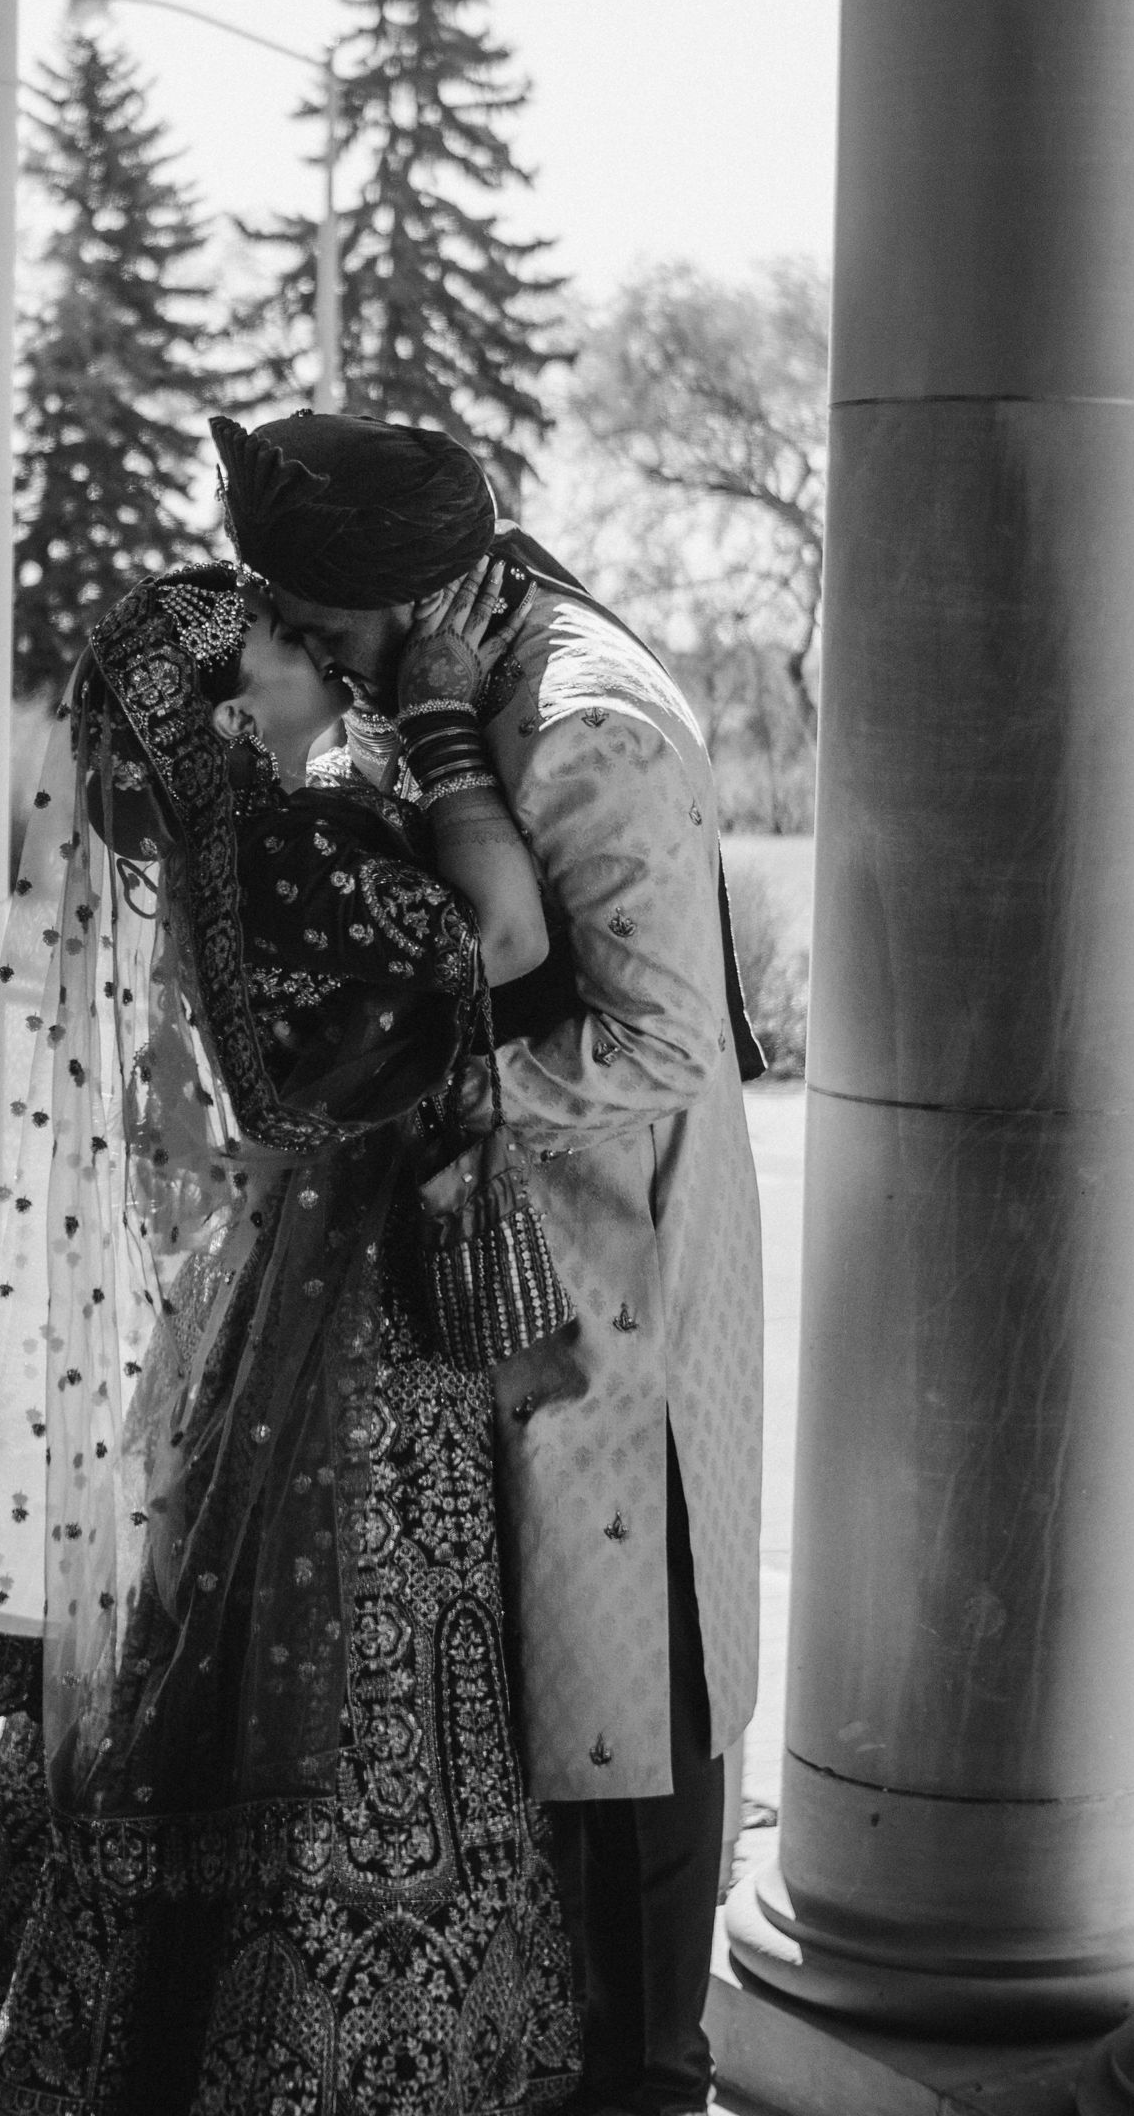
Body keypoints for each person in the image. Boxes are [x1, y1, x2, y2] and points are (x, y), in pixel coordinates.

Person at [0, 558, 584, 2116]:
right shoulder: (290, 842)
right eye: (279, 628)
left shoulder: (221, 848)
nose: (312, 635)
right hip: (353, 1320)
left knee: (208, 1652)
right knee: (346, 1658)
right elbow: (509, 941)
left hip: (266, 1292)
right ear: (232, 688)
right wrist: (454, 722)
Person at [214, 411, 765, 2116]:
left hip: (615, 1286)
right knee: (544, 1701)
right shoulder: (448, 687)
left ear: (414, 587)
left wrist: (420, 1094)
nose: (305, 651)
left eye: (324, 622)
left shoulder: (583, 723)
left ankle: (645, 2087)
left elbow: (670, 1042)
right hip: (499, 1279)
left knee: (635, 1708)